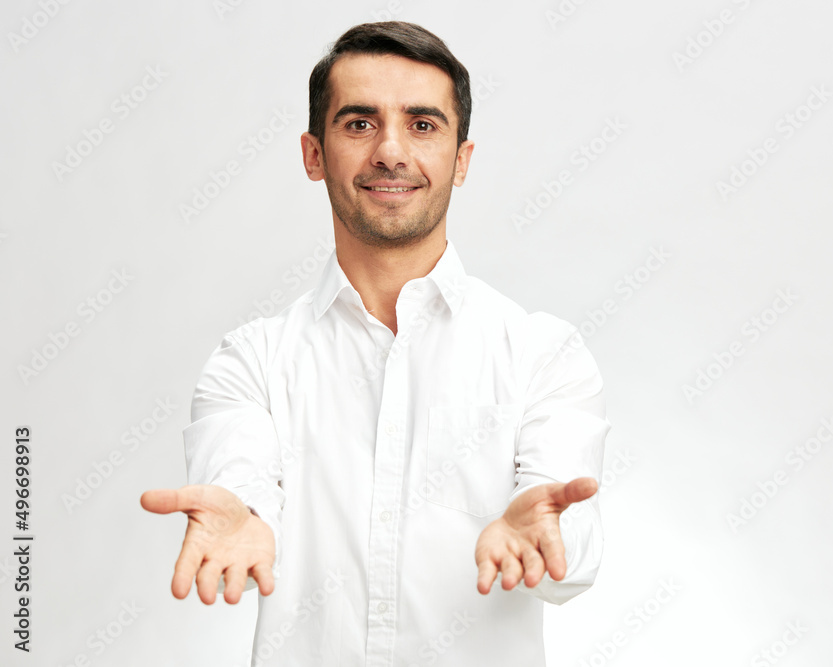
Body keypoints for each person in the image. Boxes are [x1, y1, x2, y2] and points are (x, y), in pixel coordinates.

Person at [141, 20, 611, 666]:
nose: (391, 151)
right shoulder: (252, 364)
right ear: (313, 153)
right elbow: (240, 478)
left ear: (462, 159)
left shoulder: (541, 355)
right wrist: (245, 513)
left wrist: (549, 533)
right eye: (359, 123)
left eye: (423, 125)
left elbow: (570, 538)